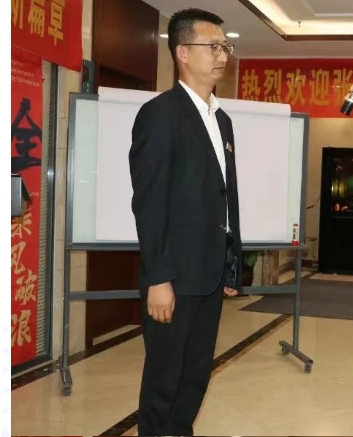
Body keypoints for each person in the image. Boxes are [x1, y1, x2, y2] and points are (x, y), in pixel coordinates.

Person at [128, 7, 242, 436]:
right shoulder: (161, 114)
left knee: (195, 374)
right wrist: (158, 278)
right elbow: (149, 202)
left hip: (208, 273)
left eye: (225, 47)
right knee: (164, 378)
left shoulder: (221, 119)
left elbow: (225, 198)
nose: (222, 55)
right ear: (182, 52)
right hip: (173, 276)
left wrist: (230, 265)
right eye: (213, 46)